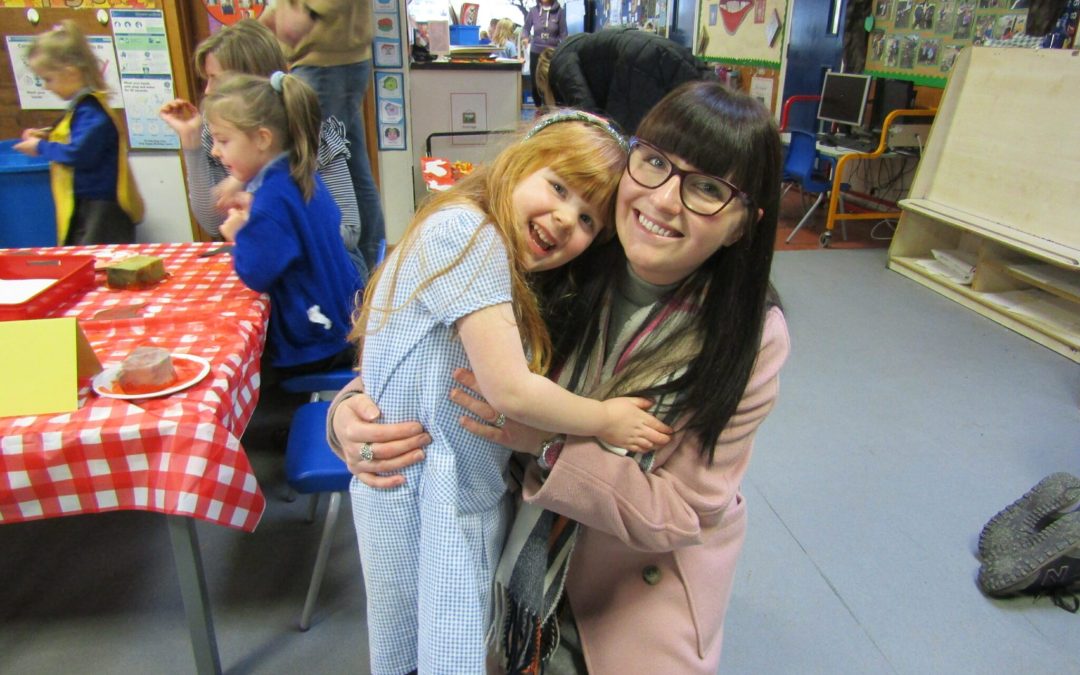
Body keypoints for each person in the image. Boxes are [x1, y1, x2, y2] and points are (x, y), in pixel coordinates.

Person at [328, 81, 791, 673]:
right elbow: (426, 352)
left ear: (742, 224)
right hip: (504, 550)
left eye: (706, 188)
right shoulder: (561, 253)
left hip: (628, 584)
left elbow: (685, 512)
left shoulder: (747, 336)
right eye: (654, 163)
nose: (665, 200)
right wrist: (351, 417)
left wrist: (549, 444)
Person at [345, 110, 672, 675]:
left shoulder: (494, 249)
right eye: (559, 187)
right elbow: (511, 390)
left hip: (451, 494)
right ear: (519, 162)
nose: (565, 219)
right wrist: (604, 419)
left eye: (588, 219)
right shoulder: (469, 233)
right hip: (427, 496)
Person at [158, 19, 366, 280]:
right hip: (272, 260)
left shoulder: (308, 133)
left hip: (325, 268)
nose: (207, 91)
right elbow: (213, 223)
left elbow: (349, 232)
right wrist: (191, 142)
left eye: (215, 78)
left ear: (249, 80)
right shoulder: (220, 137)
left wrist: (266, 229)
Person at [201, 71, 362, 377]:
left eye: (223, 140)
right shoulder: (299, 173)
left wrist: (240, 235)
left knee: (236, 366)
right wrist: (257, 218)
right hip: (343, 322)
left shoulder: (272, 199)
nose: (215, 151)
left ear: (262, 139)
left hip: (316, 343)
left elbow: (255, 274)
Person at [261, 0, 386, 270]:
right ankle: (371, 272)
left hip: (326, 61)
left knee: (320, 173)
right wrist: (274, 15)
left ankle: (357, 273)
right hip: (329, 60)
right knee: (351, 170)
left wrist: (308, 11)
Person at [14, 21, 143, 246]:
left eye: (48, 79)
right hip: (86, 202)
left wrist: (40, 147)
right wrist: (47, 136)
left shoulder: (92, 111)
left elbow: (79, 152)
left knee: (97, 257)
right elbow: (73, 136)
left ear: (71, 73)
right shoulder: (82, 109)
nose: (46, 87)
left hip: (102, 207)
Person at [546, 25, 704, 134]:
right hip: (665, 57)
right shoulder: (580, 45)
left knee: (622, 144)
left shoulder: (559, 64)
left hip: (638, 66)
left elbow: (588, 116)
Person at [522, 0, 567, 108]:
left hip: (552, 53)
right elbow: (526, 29)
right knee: (535, 82)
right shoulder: (533, 11)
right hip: (536, 52)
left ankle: (552, 107)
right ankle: (538, 107)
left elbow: (564, 34)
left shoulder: (560, 12)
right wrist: (525, 37)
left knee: (552, 81)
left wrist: (564, 48)